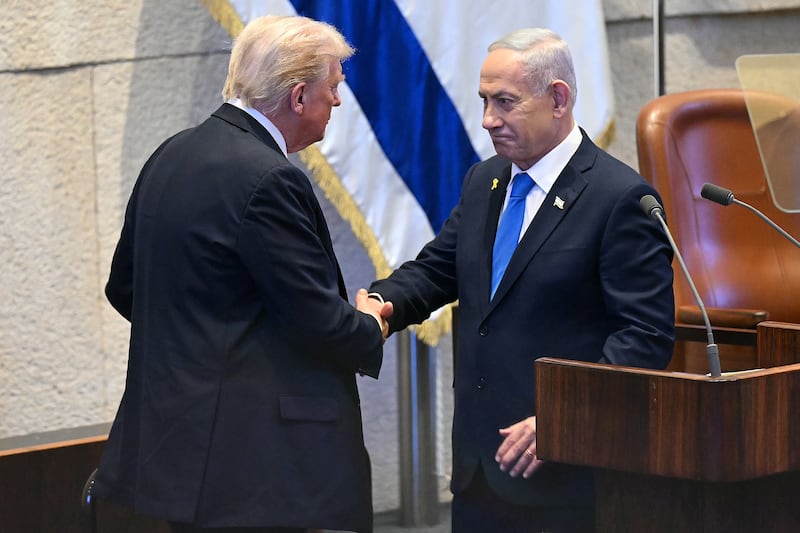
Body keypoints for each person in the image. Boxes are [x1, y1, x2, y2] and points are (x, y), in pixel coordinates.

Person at [94, 15, 392, 533]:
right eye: (333, 86)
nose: (338, 101)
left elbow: (124, 289)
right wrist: (369, 323)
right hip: (251, 469)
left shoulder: (171, 153)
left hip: (176, 450)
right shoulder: (270, 179)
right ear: (298, 97)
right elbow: (319, 322)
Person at [368, 28, 674, 532]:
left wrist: (563, 418)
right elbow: (439, 269)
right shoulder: (485, 180)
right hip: (477, 471)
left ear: (558, 99)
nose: (488, 119)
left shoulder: (619, 198)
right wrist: (381, 304)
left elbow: (645, 336)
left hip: (561, 478)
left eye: (505, 102)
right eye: (485, 100)